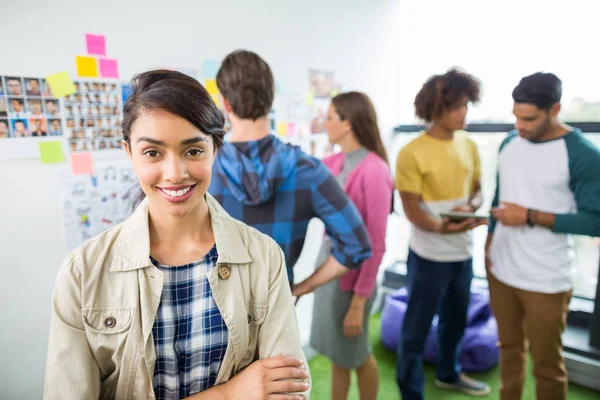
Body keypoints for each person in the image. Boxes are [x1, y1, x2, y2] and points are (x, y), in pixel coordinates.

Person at [44, 70, 311, 400]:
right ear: (130, 153)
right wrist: (228, 395)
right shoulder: (83, 272)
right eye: (153, 153)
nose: (174, 174)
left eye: (193, 151)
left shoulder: (264, 257)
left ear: (215, 148)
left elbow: (287, 392)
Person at [209, 50, 371, 289]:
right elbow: (357, 245)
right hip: (279, 310)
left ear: (225, 103)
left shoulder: (203, 168)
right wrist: (300, 289)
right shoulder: (309, 171)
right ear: (271, 99)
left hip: (215, 312)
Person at [487, 72, 600, 400]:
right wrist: (490, 243)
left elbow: (595, 222)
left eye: (529, 118)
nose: (519, 125)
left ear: (555, 109)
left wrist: (530, 216)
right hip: (502, 271)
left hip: (547, 280)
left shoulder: (582, 154)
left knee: (547, 367)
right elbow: (499, 197)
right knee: (508, 350)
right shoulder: (510, 144)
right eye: (515, 117)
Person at [395, 68, 490, 399]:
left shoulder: (470, 145)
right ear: (436, 108)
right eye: (458, 107)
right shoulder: (411, 152)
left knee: (456, 322)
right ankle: (411, 391)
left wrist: (471, 208)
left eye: (467, 105)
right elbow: (411, 209)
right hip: (428, 257)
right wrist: (443, 227)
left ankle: (449, 374)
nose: (464, 113)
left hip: (463, 254)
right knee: (416, 330)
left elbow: (477, 190)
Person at [304, 92, 393, 400]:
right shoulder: (332, 163)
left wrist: (358, 302)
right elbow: (300, 171)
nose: (324, 123)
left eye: (329, 117)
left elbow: (377, 244)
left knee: (357, 355)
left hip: (354, 283)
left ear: (348, 123)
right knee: (337, 354)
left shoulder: (375, 171)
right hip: (328, 272)